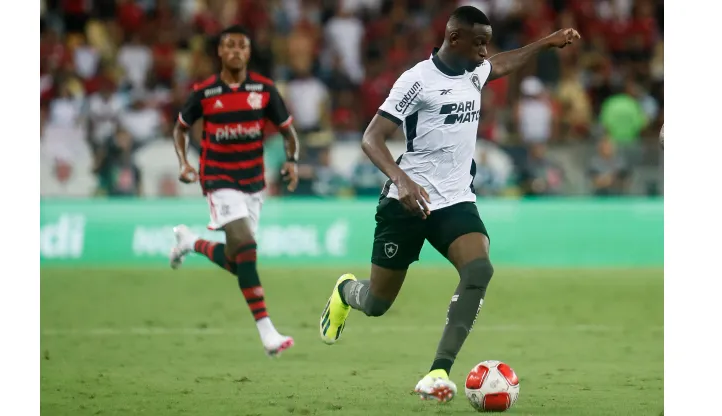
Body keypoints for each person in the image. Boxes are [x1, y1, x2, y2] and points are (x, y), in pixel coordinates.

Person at [318, 6, 580, 402]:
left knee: (479, 269)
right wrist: (401, 180)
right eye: (479, 42)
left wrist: (545, 43)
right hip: (407, 203)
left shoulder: (476, 70)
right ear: (454, 38)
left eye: (487, 43)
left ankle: (438, 371)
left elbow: (502, 64)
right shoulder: (416, 80)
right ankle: (344, 292)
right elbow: (371, 138)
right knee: (376, 303)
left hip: (455, 199)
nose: (484, 50)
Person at [169, 25, 301, 357]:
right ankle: (268, 332)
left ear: (249, 52)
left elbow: (288, 133)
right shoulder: (205, 93)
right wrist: (184, 163)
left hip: (253, 184)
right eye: (229, 45)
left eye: (242, 46)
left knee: (239, 259)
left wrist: (292, 161)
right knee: (246, 243)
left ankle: (191, 242)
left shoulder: (265, 90)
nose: (236, 51)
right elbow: (180, 129)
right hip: (218, 178)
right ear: (220, 52)